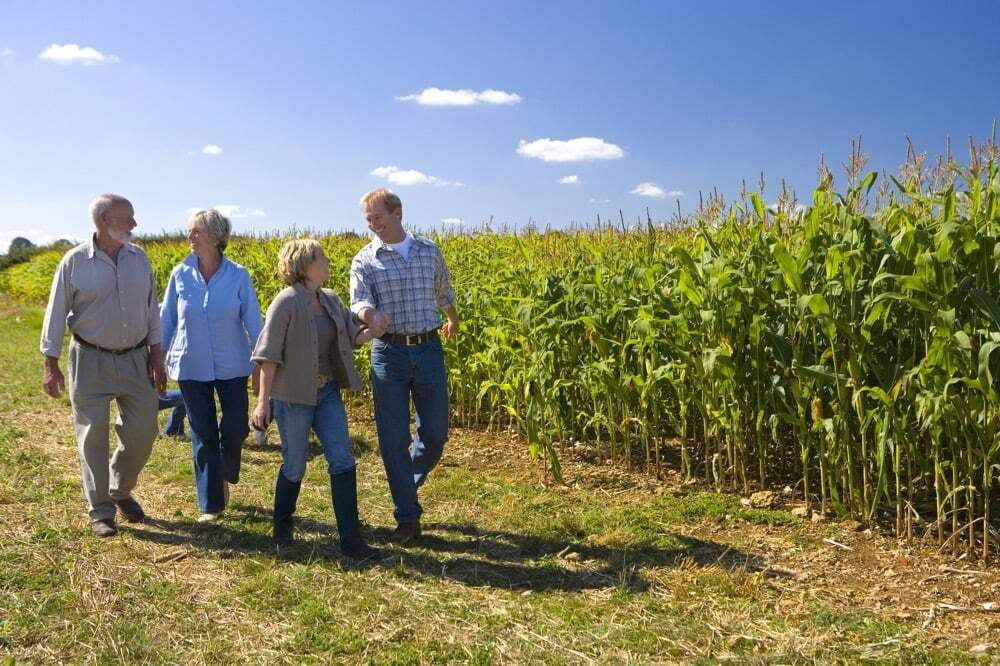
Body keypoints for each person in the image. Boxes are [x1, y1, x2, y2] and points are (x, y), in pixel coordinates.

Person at [40, 193, 166, 537]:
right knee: (92, 436)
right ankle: (101, 511)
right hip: (90, 358)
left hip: (136, 358)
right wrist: (50, 362)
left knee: (144, 432)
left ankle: (119, 488)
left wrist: (157, 354)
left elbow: (152, 309)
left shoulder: (139, 259)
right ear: (105, 220)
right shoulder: (75, 261)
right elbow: (55, 313)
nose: (135, 224)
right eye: (129, 218)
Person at [252, 239, 380, 560]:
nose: (326, 261)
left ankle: (351, 539)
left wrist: (375, 330)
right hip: (292, 397)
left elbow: (354, 335)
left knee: (342, 459)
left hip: (327, 393)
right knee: (295, 465)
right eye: (320, 257)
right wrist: (263, 402)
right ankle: (282, 529)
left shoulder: (332, 300)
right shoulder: (285, 302)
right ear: (304, 264)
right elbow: (268, 357)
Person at [350, 188, 459, 545]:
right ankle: (408, 517)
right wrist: (371, 315)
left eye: (378, 217)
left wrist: (452, 319)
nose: (373, 225)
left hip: (428, 348)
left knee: (435, 434)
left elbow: (444, 291)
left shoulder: (429, 251)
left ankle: (405, 481)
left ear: (398, 213)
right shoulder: (365, 259)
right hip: (389, 353)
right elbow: (359, 301)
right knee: (393, 438)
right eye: (368, 220)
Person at [160, 209, 263, 523]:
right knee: (202, 433)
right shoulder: (180, 274)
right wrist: (156, 358)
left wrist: (261, 362)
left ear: (217, 237)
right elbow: (167, 321)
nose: (190, 237)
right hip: (190, 363)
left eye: (197, 232)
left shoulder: (237, 275)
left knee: (235, 427)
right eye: (189, 231)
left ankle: (222, 472)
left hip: (233, 364)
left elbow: (255, 323)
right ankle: (210, 504)